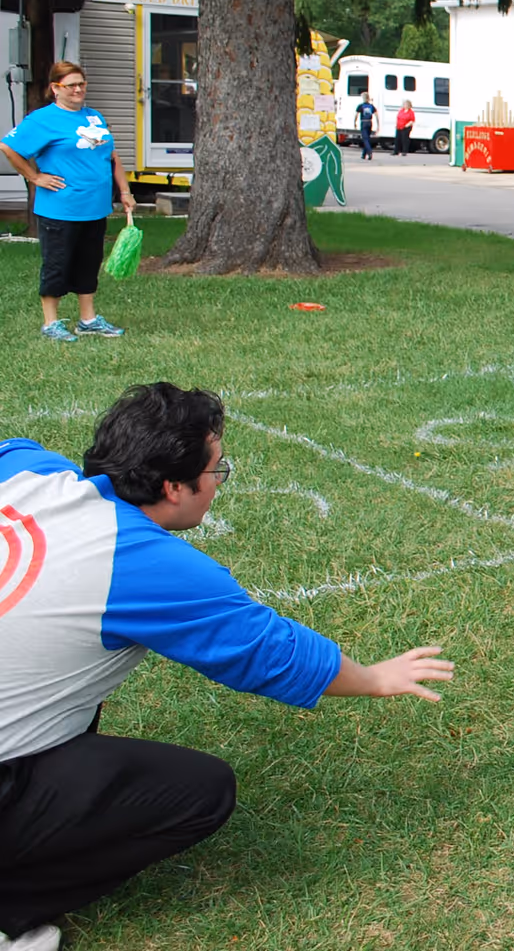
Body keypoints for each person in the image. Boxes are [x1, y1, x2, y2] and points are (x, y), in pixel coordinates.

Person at [0, 383, 453, 951]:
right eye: (217, 472)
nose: (218, 483)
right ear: (173, 487)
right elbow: (268, 650)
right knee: (200, 792)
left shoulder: (24, 467)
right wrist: (374, 677)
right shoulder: (142, 561)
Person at [0, 62, 138, 343]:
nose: (78, 89)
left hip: (95, 207)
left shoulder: (93, 117)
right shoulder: (43, 120)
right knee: (57, 263)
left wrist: (124, 191)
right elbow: (8, 147)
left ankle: (87, 320)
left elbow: (112, 157)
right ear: (55, 89)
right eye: (71, 85)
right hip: (60, 208)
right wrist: (34, 177)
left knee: (88, 263)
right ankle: (51, 323)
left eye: (81, 84)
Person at [353, 88, 379, 159]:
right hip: (370, 122)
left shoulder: (361, 106)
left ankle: (369, 152)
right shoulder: (371, 106)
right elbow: (376, 115)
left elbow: (356, 115)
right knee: (367, 138)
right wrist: (378, 125)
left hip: (363, 122)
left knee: (365, 139)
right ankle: (363, 154)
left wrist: (354, 122)